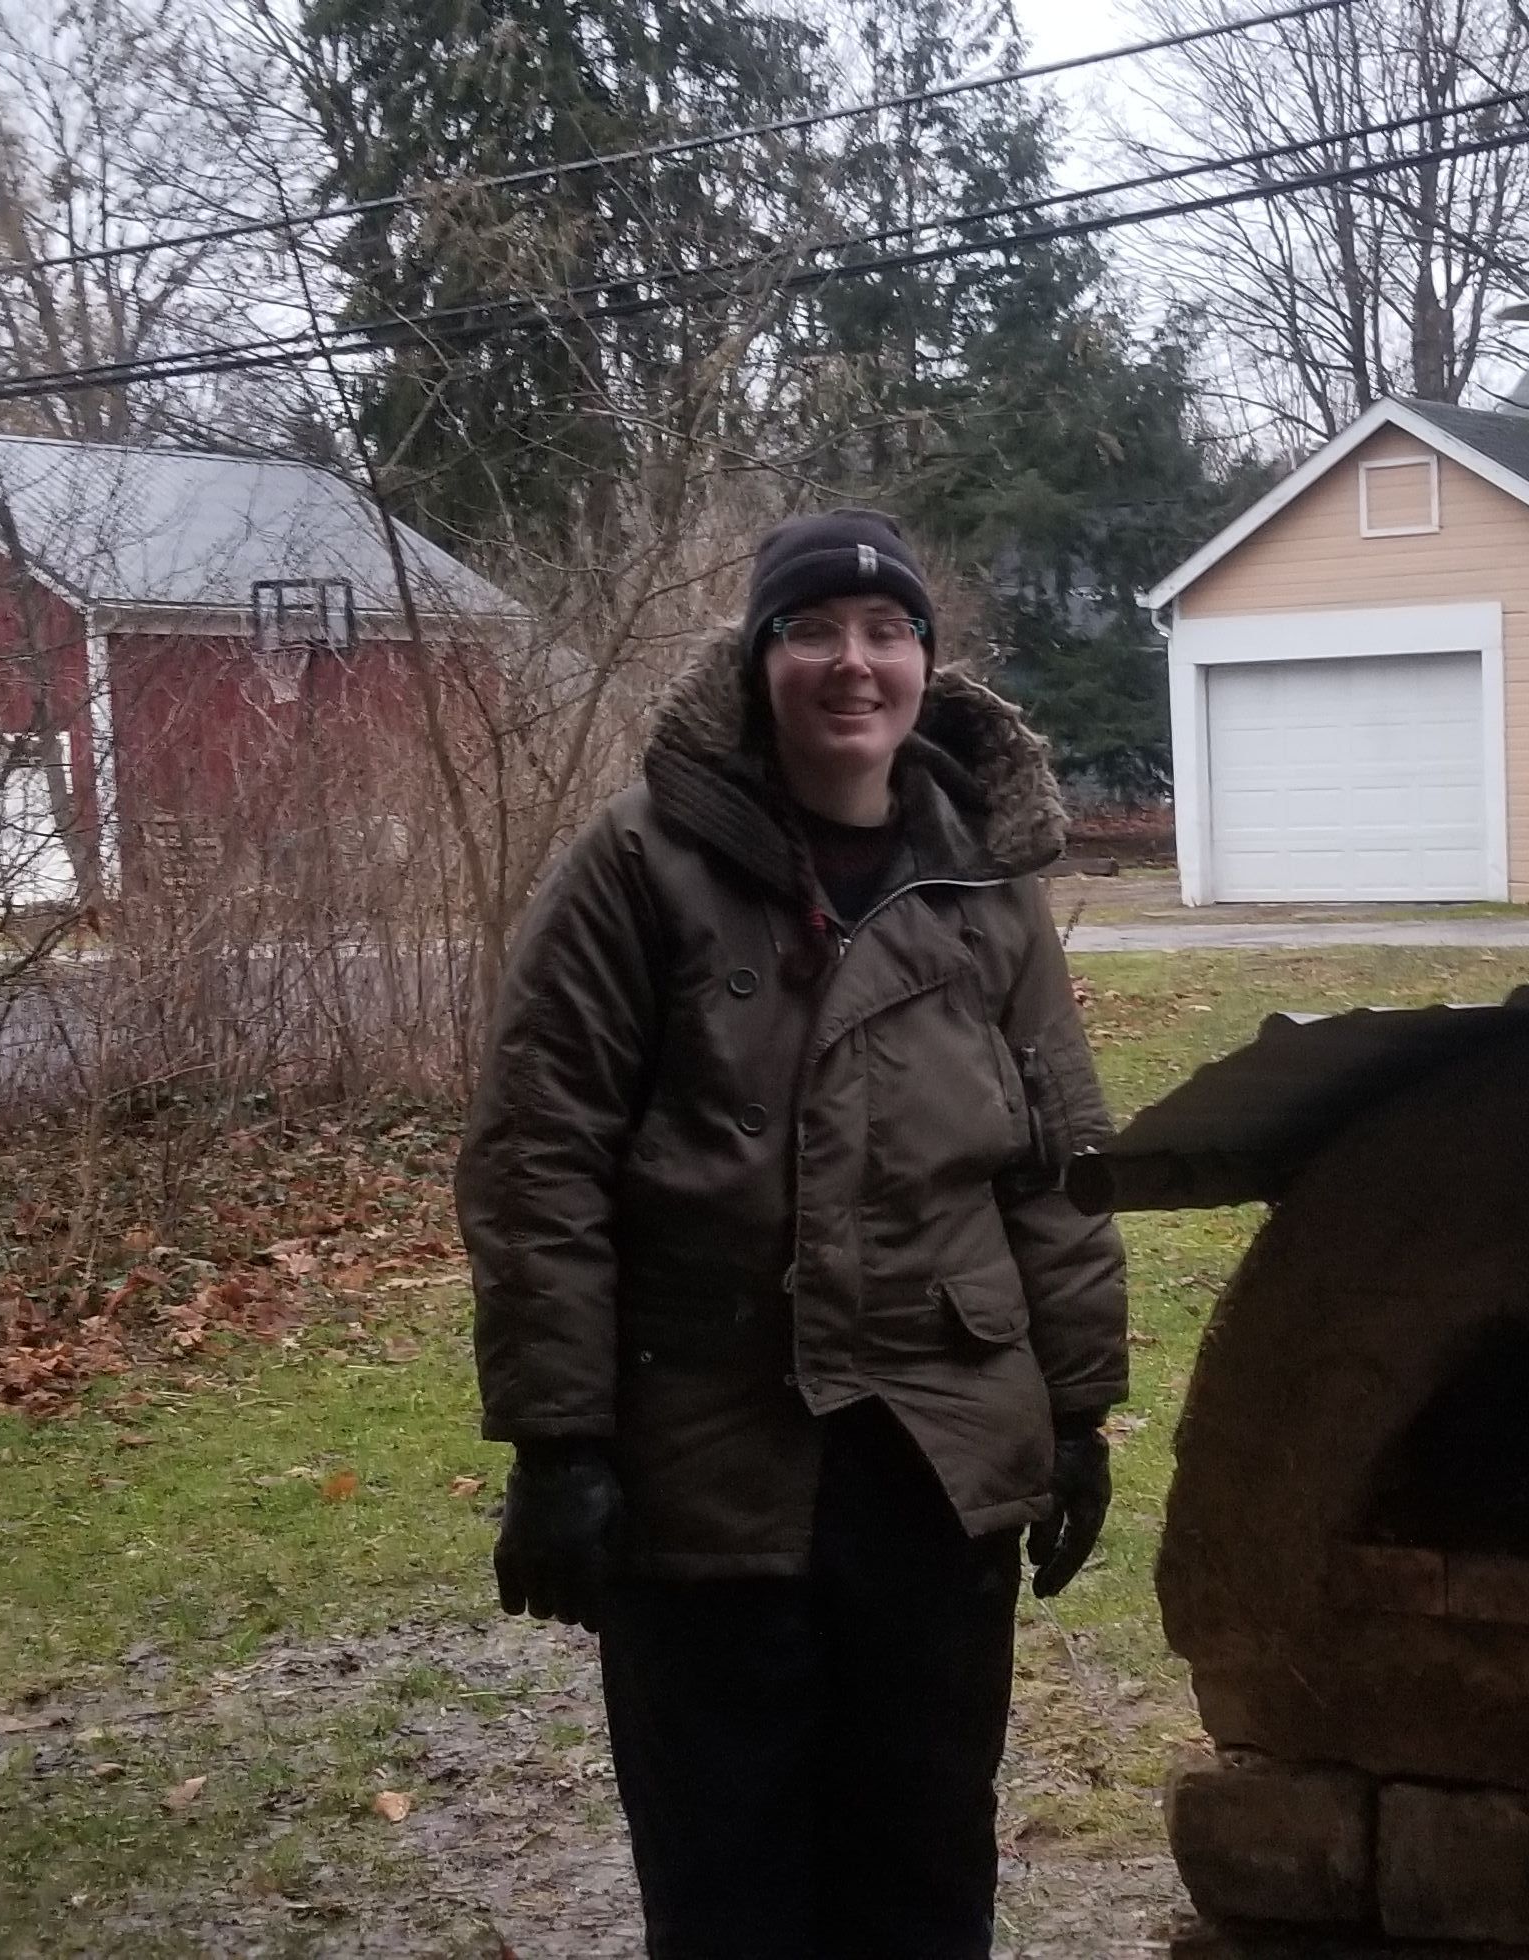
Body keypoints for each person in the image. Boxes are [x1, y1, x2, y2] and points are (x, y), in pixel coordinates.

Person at [455, 509, 1130, 1960]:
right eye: (813, 630)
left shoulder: (989, 888)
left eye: (886, 634)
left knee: (921, 1858)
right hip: (708, 1449)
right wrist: (559, 1440)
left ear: (928, 668)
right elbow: (539, 1154)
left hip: (936, 1450)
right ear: (757, 659)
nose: (853, 663)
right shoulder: (640, 865)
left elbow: (1055, 1166)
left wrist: (1077, 1412)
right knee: (726, 1871)